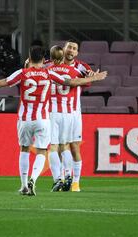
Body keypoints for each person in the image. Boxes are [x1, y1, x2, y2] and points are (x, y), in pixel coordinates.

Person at [0, 46, 107, 196]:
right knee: (42, 151)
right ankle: (34, 179)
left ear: (29, 59)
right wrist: (94, 78)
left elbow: (0, 83)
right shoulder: (49, 73)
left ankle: (24, 185)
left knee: (24, 149)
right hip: (43, 119)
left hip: (25, 119)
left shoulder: (23, 73)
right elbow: (71, 82)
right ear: (44, 60)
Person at [46, 45, 83, 192]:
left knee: (53, 148)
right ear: (63, 56)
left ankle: (58, 179)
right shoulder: (74, 71)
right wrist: (93, 77)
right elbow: (82, 82)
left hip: (52, 112)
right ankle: (68, 175)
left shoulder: (46, 70)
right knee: (65, 146)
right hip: (68, 113)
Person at [59, 39, 94, 192]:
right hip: (57, 112)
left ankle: (76, 182)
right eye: (69, 47)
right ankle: (63, 179)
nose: (71, 50)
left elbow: (89, 79)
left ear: (77, 53)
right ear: (64, 49)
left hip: (73, 113)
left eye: (74, 48)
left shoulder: (82, 67)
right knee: (60, 147)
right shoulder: (51, 64)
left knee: (73, 146)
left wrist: (92, 75)